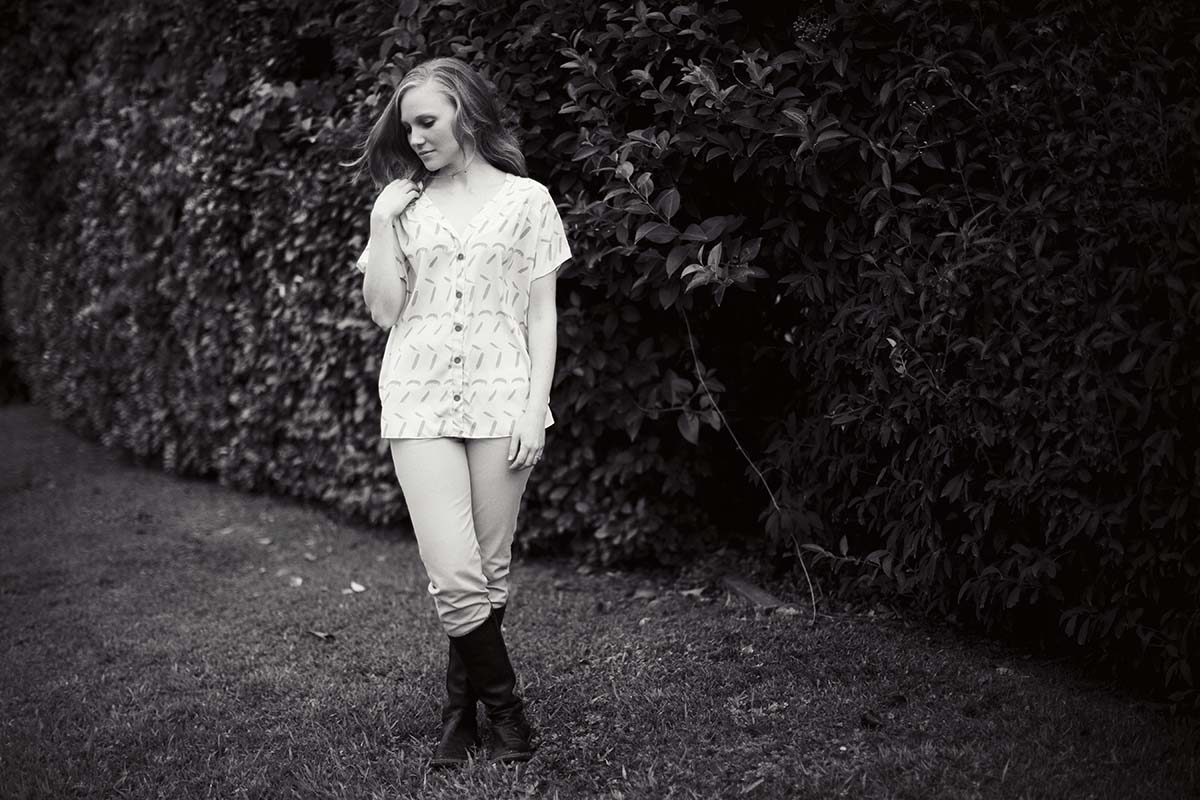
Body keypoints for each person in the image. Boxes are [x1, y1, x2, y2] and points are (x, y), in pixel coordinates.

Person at [344, 56, 571, 768]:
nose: (415, 138)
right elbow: (384, 311)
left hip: (505, 398)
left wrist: (535, 408)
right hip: (418, 398)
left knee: (490, 569)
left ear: (466, 114)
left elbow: (541, 314)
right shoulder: (402, 206)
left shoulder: (529, 200)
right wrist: (381, 223)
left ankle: (458, 719)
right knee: (453, 572)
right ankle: (509, 714)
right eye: (407, 127)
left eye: (426, 122)